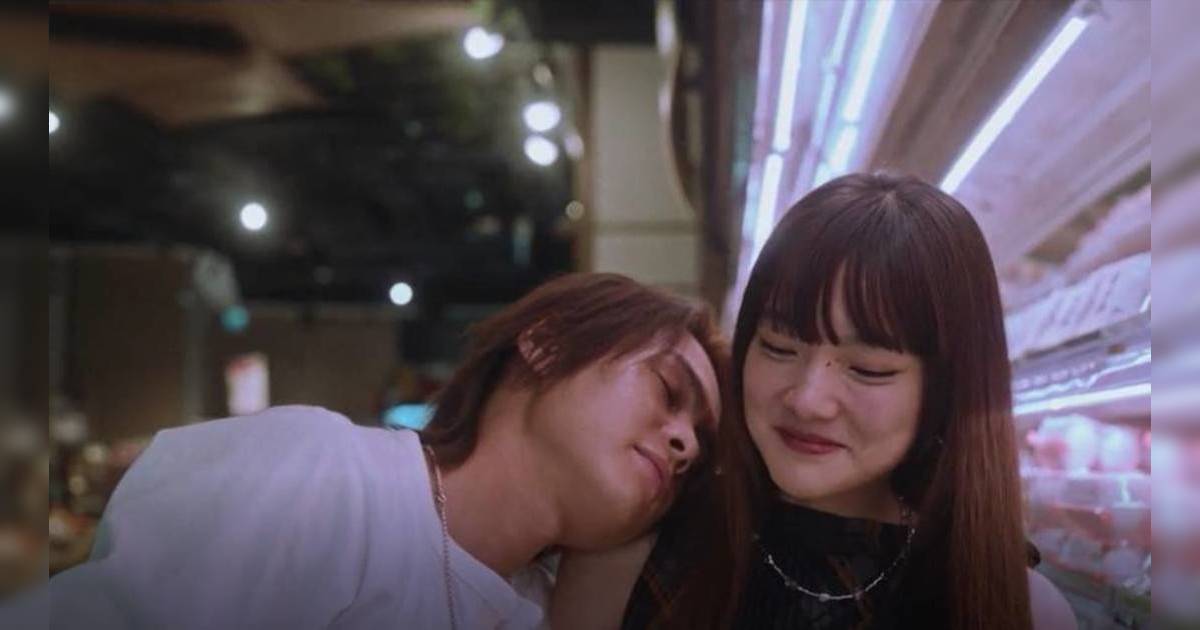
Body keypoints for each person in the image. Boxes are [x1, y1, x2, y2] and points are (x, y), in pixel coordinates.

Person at [39, 272, 724, 630]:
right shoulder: (326, 475)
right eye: (669, 391)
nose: (686, 441)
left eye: (700, 440)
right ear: (545, 343)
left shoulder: (540, 610)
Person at [550, 173, 1076, 630]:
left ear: (945, 390)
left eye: (868, 370)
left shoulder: (1019, 609)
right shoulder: (634, 552)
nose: (807, 400)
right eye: (779, 347)